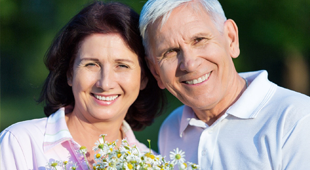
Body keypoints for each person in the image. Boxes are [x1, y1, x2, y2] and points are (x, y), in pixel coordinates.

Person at [139, 0, 310, 169]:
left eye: (199, 40)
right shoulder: (171, 129)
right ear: (155, 71)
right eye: (170, 52)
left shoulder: (298, 120)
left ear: (231, 39)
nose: (190, 64)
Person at [0, 1, 165, 170]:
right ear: (70, 73)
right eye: (91, 64)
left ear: (144, 77)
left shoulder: (151, 164)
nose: (105, 83)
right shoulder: (20, 145)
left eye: (122, 65)